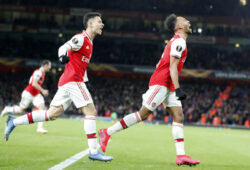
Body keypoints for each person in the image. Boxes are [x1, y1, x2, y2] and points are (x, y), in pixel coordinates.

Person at [4, 12, 113, 162]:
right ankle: (93, 151)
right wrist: (62, 56)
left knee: (51, 114)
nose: (102, 24)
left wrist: (86, 80)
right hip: (73, 81)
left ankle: (13, 122)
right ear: (90, 23)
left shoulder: (90, 42)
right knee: (90, 111)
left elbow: (79, 64)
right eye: (99, 22)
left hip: (69, 81)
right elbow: (63, 47)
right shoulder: (81, 38)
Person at [99, 14, 200, 166]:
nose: (188, 22)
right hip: (162, 83)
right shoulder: (179, 41)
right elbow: (172, 66)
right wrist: (178, 89)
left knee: (178, 116)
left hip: (168, 85)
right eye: (185, 20)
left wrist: (174, 88)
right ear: (178, 26)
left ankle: (181, 156)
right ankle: (107, 132)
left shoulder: (177, 42)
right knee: (142, 115)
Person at [1, 60, 51, 134]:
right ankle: (7, 109)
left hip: (36, 94)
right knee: (21, 110)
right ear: (45, 65)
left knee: (42, 107)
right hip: (28, 93)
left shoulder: (42, 73)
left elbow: (31, 81)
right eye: (49, 66)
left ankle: (40, 128)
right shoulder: (38, 72)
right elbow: (33, 83)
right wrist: (43, 90)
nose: (50, 68)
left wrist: (40, 91)